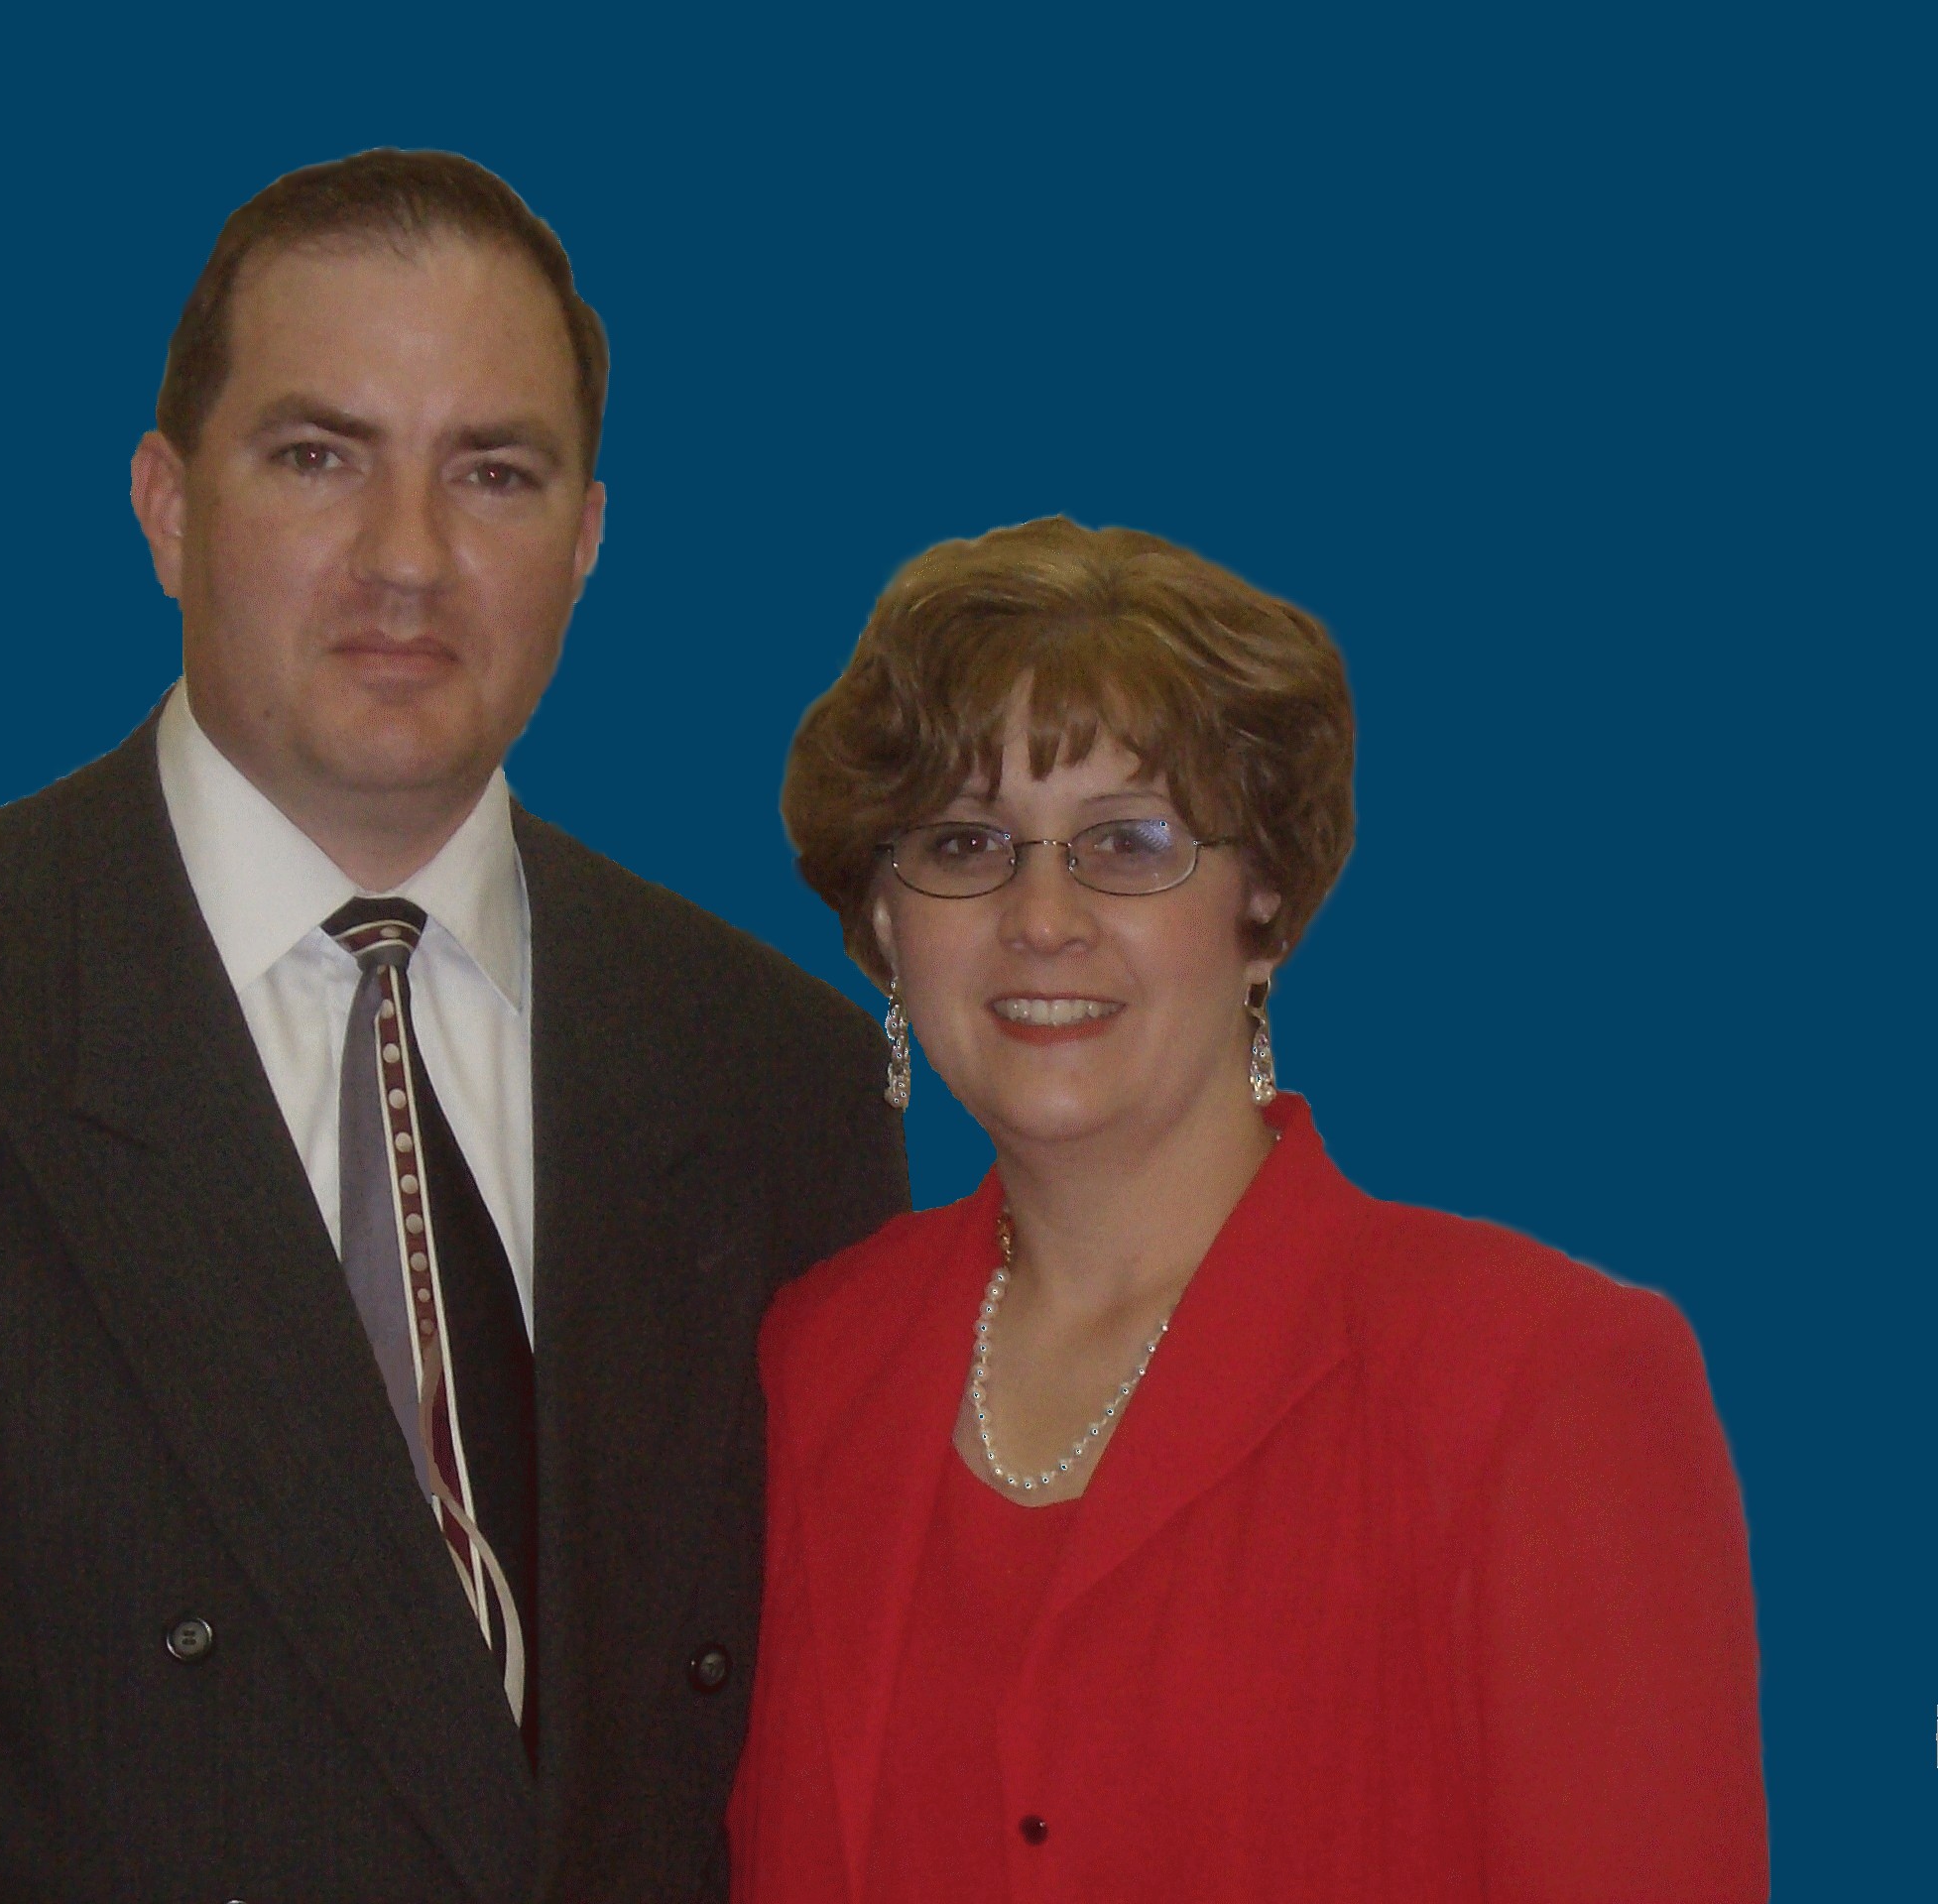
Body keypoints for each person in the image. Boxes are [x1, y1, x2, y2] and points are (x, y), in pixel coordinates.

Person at [0, 150, 908, 1902]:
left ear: (588, 540)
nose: (408, 558)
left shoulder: (780, 1077)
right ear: (167, 508)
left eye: (494, 472)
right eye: (319, 457)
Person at [728, 519, 1767, 1901]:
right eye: (967, 843)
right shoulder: (814, 1362)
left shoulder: (1539, 1384)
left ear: (1262, 899)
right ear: (884, 918)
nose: (1042, 916)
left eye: (1127, 842)